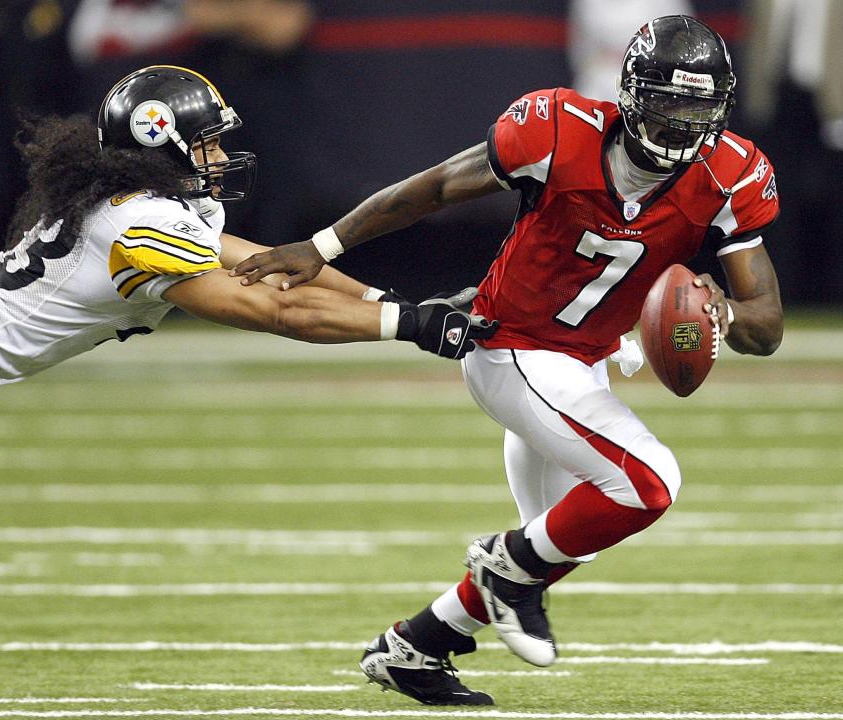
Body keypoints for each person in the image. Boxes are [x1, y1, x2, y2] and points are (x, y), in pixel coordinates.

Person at [231, 16, 785, 706]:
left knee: (558, 540)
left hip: (583, 363)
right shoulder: (557, 128)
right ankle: (503, 573)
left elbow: (766, 325)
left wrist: (721, 312)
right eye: (669, 105)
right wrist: (323, 245)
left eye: (698, 110)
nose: (681, 125)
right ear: (632, 95)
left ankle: (415, 647)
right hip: (511, 345)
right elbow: (431, 189)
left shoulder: (730, 174)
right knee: (648, 484)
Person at [0, 65, 496, 584]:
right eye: (207, 144)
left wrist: (386, 297)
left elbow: (270, 268)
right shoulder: (140, 223)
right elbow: (276, 310)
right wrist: (410, 325)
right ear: (160, 141)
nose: (220, 158)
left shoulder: (139, 200)